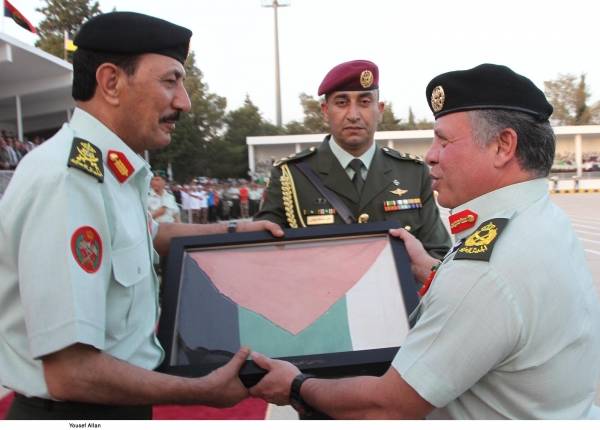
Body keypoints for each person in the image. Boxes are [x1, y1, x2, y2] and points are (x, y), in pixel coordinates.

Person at [248, 64, 600, 419]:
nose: (430, 155)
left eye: (444, 141)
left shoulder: (483, 268)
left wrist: (295, 386)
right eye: (342, 102)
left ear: (502, 145)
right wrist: (431, 269)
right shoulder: (545, 221)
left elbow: (390, 405)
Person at [0, 11, 283, 420]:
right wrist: (201, 390)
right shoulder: (69, 181)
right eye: (170, 81)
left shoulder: (108, 172)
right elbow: (70, 372)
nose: (184, 101)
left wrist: (236, 230)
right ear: (111, 82)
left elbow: (146, 235)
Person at [255, 60, 451, 259]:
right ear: (325, 111)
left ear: (380, 110)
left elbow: (438, 254)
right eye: (342, 102)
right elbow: (262, 255)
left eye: (364, 102)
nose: (353, 115)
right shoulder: (290, 176)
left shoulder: (412, 173)